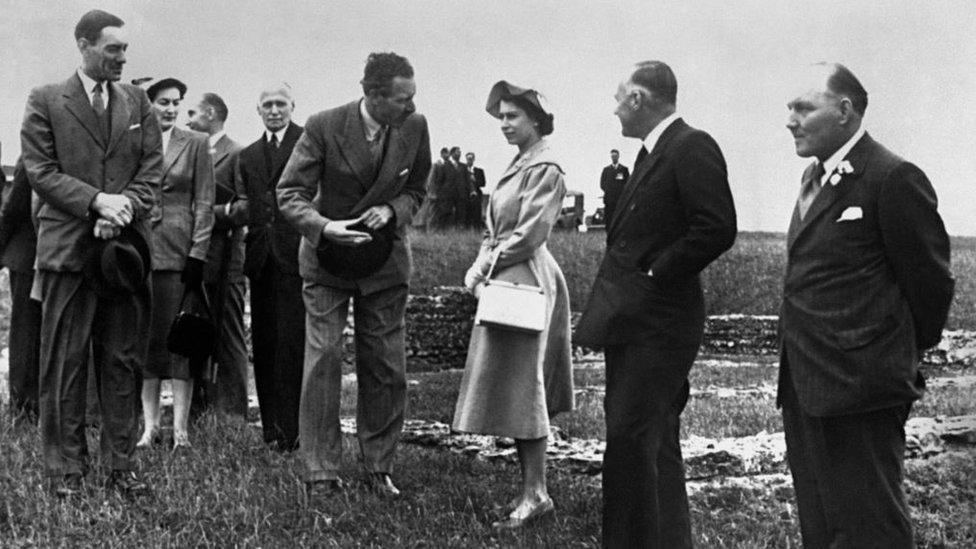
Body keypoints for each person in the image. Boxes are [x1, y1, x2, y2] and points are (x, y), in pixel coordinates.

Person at [778, 62, 953, 548]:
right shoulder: (815, 179)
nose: (790, 120)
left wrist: (888, 356)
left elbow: (930, 285)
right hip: (806, 382)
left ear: (844, 110)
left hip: (863, 387)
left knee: (870, 523)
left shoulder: (891, 178)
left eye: (803, 107)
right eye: (789, 108)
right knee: (822, 521)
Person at [575, 61, 737, 547]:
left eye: (618, 97)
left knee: (629, 439)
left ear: (639, 99)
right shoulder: (651, 153)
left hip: (661, 324)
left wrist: (656, 272)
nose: (615, 108)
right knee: (653, 440)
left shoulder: (691, 146)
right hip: (635, 320)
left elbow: (717, 227)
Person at [20, 9, 162, 496]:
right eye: (112, 49)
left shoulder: (139, 102)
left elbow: (151, 171)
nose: (123, 57)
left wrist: (124, 209)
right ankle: (65, 470)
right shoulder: (45, 100)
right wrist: (96, 202)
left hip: (124, 255)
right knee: (65, 361)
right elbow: (40, 170)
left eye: (125, 49)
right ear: (83, 45)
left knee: (122, 360)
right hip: (68, 252)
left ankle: (121, 467)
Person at [277, 51, 430, 498]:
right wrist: (324, 227)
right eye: (404, 99)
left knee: (385, 365)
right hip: (328, 263)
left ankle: (378, 465)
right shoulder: (324, 126)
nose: (412, 107)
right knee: (323, 361)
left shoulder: (415, 127)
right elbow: (289, 193)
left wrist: (391, 208)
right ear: (372, 95)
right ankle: (321, 470)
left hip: (385, 266)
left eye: (414, 97)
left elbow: (418, 189)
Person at [454, 80, 574, 529]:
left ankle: (536, 492)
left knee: (526, 386)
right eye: (500, 116)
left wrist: (485, 269)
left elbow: (529, 234)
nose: (504, 123)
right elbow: (496, 230)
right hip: (508, 273)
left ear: (536, 120)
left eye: (512, 116)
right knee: (515, 385)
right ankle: (530, 489)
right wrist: (481, 263)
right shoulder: (520, 162)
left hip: (524, 278)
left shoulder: (546, 166)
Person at [137, 77, 215, 450]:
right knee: (149, 343)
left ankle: (180, 431)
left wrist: (198, 253)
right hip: (141, 251)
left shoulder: (196, 143)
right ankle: (150, 428)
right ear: (149, 104)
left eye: (176, 103)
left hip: (179, 253)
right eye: (163, 102)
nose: (170, 109)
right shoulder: (135, 140)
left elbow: (204, 202)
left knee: (180, 342)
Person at [236, 83, 305, 451]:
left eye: (280, 104)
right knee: (264, 344)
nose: (274, 110)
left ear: (293, 106)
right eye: (267, 104)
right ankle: (271, 430)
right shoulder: (248, 155)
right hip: (261, 259)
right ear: (258, 110)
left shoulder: (307, 143)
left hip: (296, 258)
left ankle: (294, 430)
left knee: (293, 343)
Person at [186, 92, 249, 419]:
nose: (188, 119)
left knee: (229, 336)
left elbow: (246, 207)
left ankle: (233, 413)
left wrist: (208, 212)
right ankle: (199, 408)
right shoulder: (193, 151)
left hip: (226, 260)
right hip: (196, 257)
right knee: (196, 333)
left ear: (210, 114)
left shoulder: (237, 154)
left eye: (193, 112)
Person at [0, 158, 41, 421]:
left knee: (30, 331)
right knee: (25, 331)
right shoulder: (31, 157)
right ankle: (23, 403)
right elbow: (13, 210)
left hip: (42, 255)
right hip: (27, 258)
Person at [428, 145, 463, 228]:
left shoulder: (445, 165)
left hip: (442, 195)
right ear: (442, 154)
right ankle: (431, 231)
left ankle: (438, 232)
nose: (448, 156)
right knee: (433, 214)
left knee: (441, 214)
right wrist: (432, 193)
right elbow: (431, 180)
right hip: (435, 194)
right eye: (447, 154)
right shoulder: (437, 164)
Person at [599, 149, 629, 227]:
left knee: (620, 217)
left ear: (618, 156)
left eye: (615, 156)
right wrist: (609, 191)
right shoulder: (606, 170)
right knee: (609, 218)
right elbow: (602, 184)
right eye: (612, 156)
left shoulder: (624, 170)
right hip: (609, 199)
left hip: (620, 199)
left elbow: (627, 183)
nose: (614, 158)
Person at [464, 151, 486, 228]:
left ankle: (477, 230)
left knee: (477, 214)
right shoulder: (463, 170)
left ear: (473, 159)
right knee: (467, 214)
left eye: (471, 159)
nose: (469, 160)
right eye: (468, 159)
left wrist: (475, 180)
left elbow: (483, 183)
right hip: (466, 195)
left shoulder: (479, 171)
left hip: (477, 195)